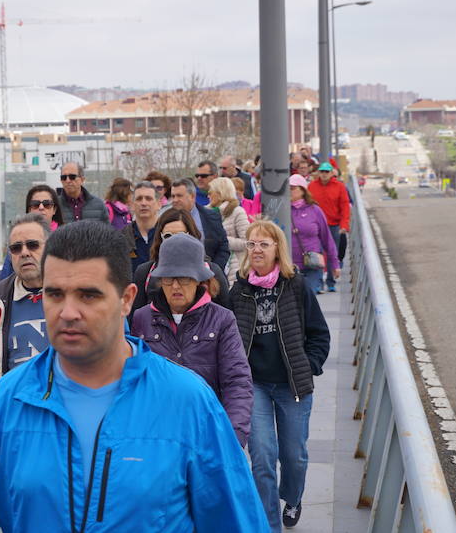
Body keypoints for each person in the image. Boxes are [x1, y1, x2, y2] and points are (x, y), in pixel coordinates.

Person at [0, 221, 269, 532]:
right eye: (55, 294)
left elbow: (236, 521)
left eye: (89, 295)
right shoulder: (7, 402)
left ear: (126, 300)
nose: (68, 312)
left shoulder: (189, 402)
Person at [229, 220, 330, 532]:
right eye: (252, 244)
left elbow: (319, 334)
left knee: (294, 455)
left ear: (277, 249)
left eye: (264, 244)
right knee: (261, 455)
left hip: (291, 385)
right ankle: (268, 522)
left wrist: (308, 364)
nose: (257, 250)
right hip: (255, 384)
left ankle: (293, 497)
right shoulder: (239, 289)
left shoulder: (295, 285)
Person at [131, 233, 252, 446]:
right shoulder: (141, 318)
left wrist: (233, 438)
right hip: (156, 436)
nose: (176, 286)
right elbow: (132, 381)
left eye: (184, 278)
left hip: (207, 433)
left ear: (199, 280)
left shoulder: (222, 319)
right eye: (169, 278)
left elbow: (237, 382)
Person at [0, 213, 50, 401]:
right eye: (16, 248)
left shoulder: (74, 295)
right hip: (14, 409)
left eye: (32, 245)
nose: (24, 253)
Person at [130, 207, 231, 319]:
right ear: (160, 238)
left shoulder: (212, 271)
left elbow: (226, 317)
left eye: (181, 235)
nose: (175, 241)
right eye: (168, 236)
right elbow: (135, 321)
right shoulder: (145, 273)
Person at [0, 185, 64, 279]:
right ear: (29, 210)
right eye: (35, 204)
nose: (41, 207)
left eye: (47, 204)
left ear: (54, 210)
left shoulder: (67, 241)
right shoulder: (16, 241)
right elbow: (5, 281)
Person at [288, 175, 339, 295]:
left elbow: (327, 239)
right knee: (293, 306)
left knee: (308, 300)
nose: (289, 191)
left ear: (302, 190)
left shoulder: (315, 210)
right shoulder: (283, 210)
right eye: (288, 188)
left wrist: (335, 264)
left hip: (312, 265)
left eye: (293, 188)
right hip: (289, 266)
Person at [169, 178, 230, 270]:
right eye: (173, 196)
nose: (175, 200)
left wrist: (214, 270)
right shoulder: (166, 220)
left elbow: (223, 246)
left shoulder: (211, 216)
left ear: (192, 196)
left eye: (179, 196)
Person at [307, 162, 350, 292]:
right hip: (316, 226)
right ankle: (319, 283)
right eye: (322, 172)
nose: (324, 174)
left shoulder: (339, 187)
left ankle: (331, 281)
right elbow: (308, 204)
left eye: (327, 172)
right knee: (317, 254)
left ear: (332, 173)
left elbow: (345, 207)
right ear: (318, 173)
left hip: (334, 225)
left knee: (333, 254)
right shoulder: (312, 186)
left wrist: (344, 225)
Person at [208, 176, 250, 286]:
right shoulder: (206, 212)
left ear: (220, 193)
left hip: (234, 267)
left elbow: (248, 242)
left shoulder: (237, 212)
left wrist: (223, 241)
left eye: (211, 192)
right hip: (212, 264)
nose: (208, 195)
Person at [121, 181, 160, 273]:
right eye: (139, 199)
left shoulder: (167, 234)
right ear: (132, 205)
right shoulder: (122, 237)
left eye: (148, 198)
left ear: (159, 204)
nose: (143, 203)